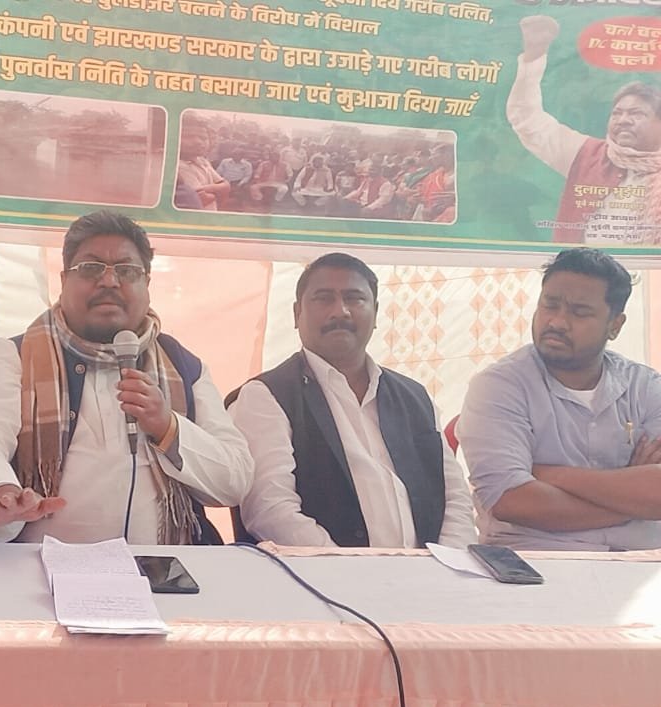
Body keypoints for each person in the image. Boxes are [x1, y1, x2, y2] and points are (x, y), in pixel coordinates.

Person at [0, 211, 252, 544]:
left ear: (147, 284)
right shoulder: (16, 356)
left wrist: (168, 428)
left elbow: (234, 480)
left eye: (126, 270)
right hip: (33, 569)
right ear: (64, 281)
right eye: (90, 268)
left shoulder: (183, 365)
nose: (109, 281)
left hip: (159, 570)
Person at [229, 253, 475, 548]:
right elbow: (269, 509)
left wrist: (446, 563)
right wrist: (348, 568)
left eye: (354, 298)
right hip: (318, 574)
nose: (340, 311)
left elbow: (455, 498)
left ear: (376, 313)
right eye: (324, 299)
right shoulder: (267, 396)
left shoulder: (414, 398)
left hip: (425, 572)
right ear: (297, 314)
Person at [459, 248, 661, 550]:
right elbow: (513, 501)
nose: (557, 322)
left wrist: (551, 475)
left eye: (580, 312)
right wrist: (634, 499)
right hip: (536, 562)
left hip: (641, 562)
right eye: (549, 305)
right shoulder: (498, 386)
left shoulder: (646, 387)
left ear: (615, 325)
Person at [507, 15, 661, 244]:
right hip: (582, 266)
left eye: (636, 114)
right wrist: (534, 56)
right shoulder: (587, 154)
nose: (623, 120)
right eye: (617, 113)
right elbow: (527, 120)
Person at [176, 122, 230, 211]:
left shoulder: (202, 160)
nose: (198, 142)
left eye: (203, 138)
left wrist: (211, 190)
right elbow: (202, 199)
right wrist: (219, 191)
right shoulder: (179, 166)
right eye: (189, 136)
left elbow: (226, 186)